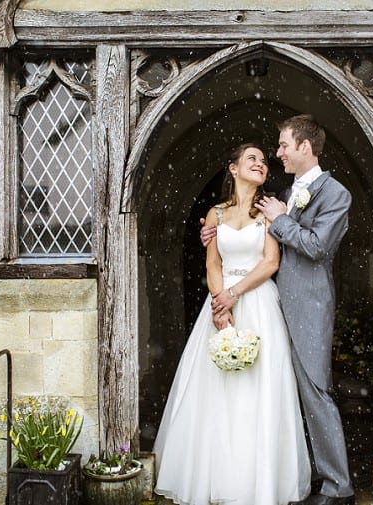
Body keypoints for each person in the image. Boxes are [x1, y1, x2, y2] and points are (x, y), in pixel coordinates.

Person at [204, 115, 355, 505]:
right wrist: (213, 232)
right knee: (273, 392)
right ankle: (258, 472)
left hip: (306, 306)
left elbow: (318, 246)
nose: (277, 153)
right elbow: (257, 236)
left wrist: (282, 219)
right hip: (272, 305)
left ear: (306, 147)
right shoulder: (287, 192)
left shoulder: (335, 193)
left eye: (284, 145)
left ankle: (339, 488)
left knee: (315, 392)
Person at [154, 143, 310, 505]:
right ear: (234, 168)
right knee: (216, 392)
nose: (260, 164)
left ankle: (259, 482)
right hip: (220, 304)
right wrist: (219, 304)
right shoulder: (215, 215)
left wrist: (234, 294)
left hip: (257, 302)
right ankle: (218, 476)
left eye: (263, 161)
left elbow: (270, 262)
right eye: (251, 159)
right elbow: (212, 264)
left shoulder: (269, 212)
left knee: (260, 390)